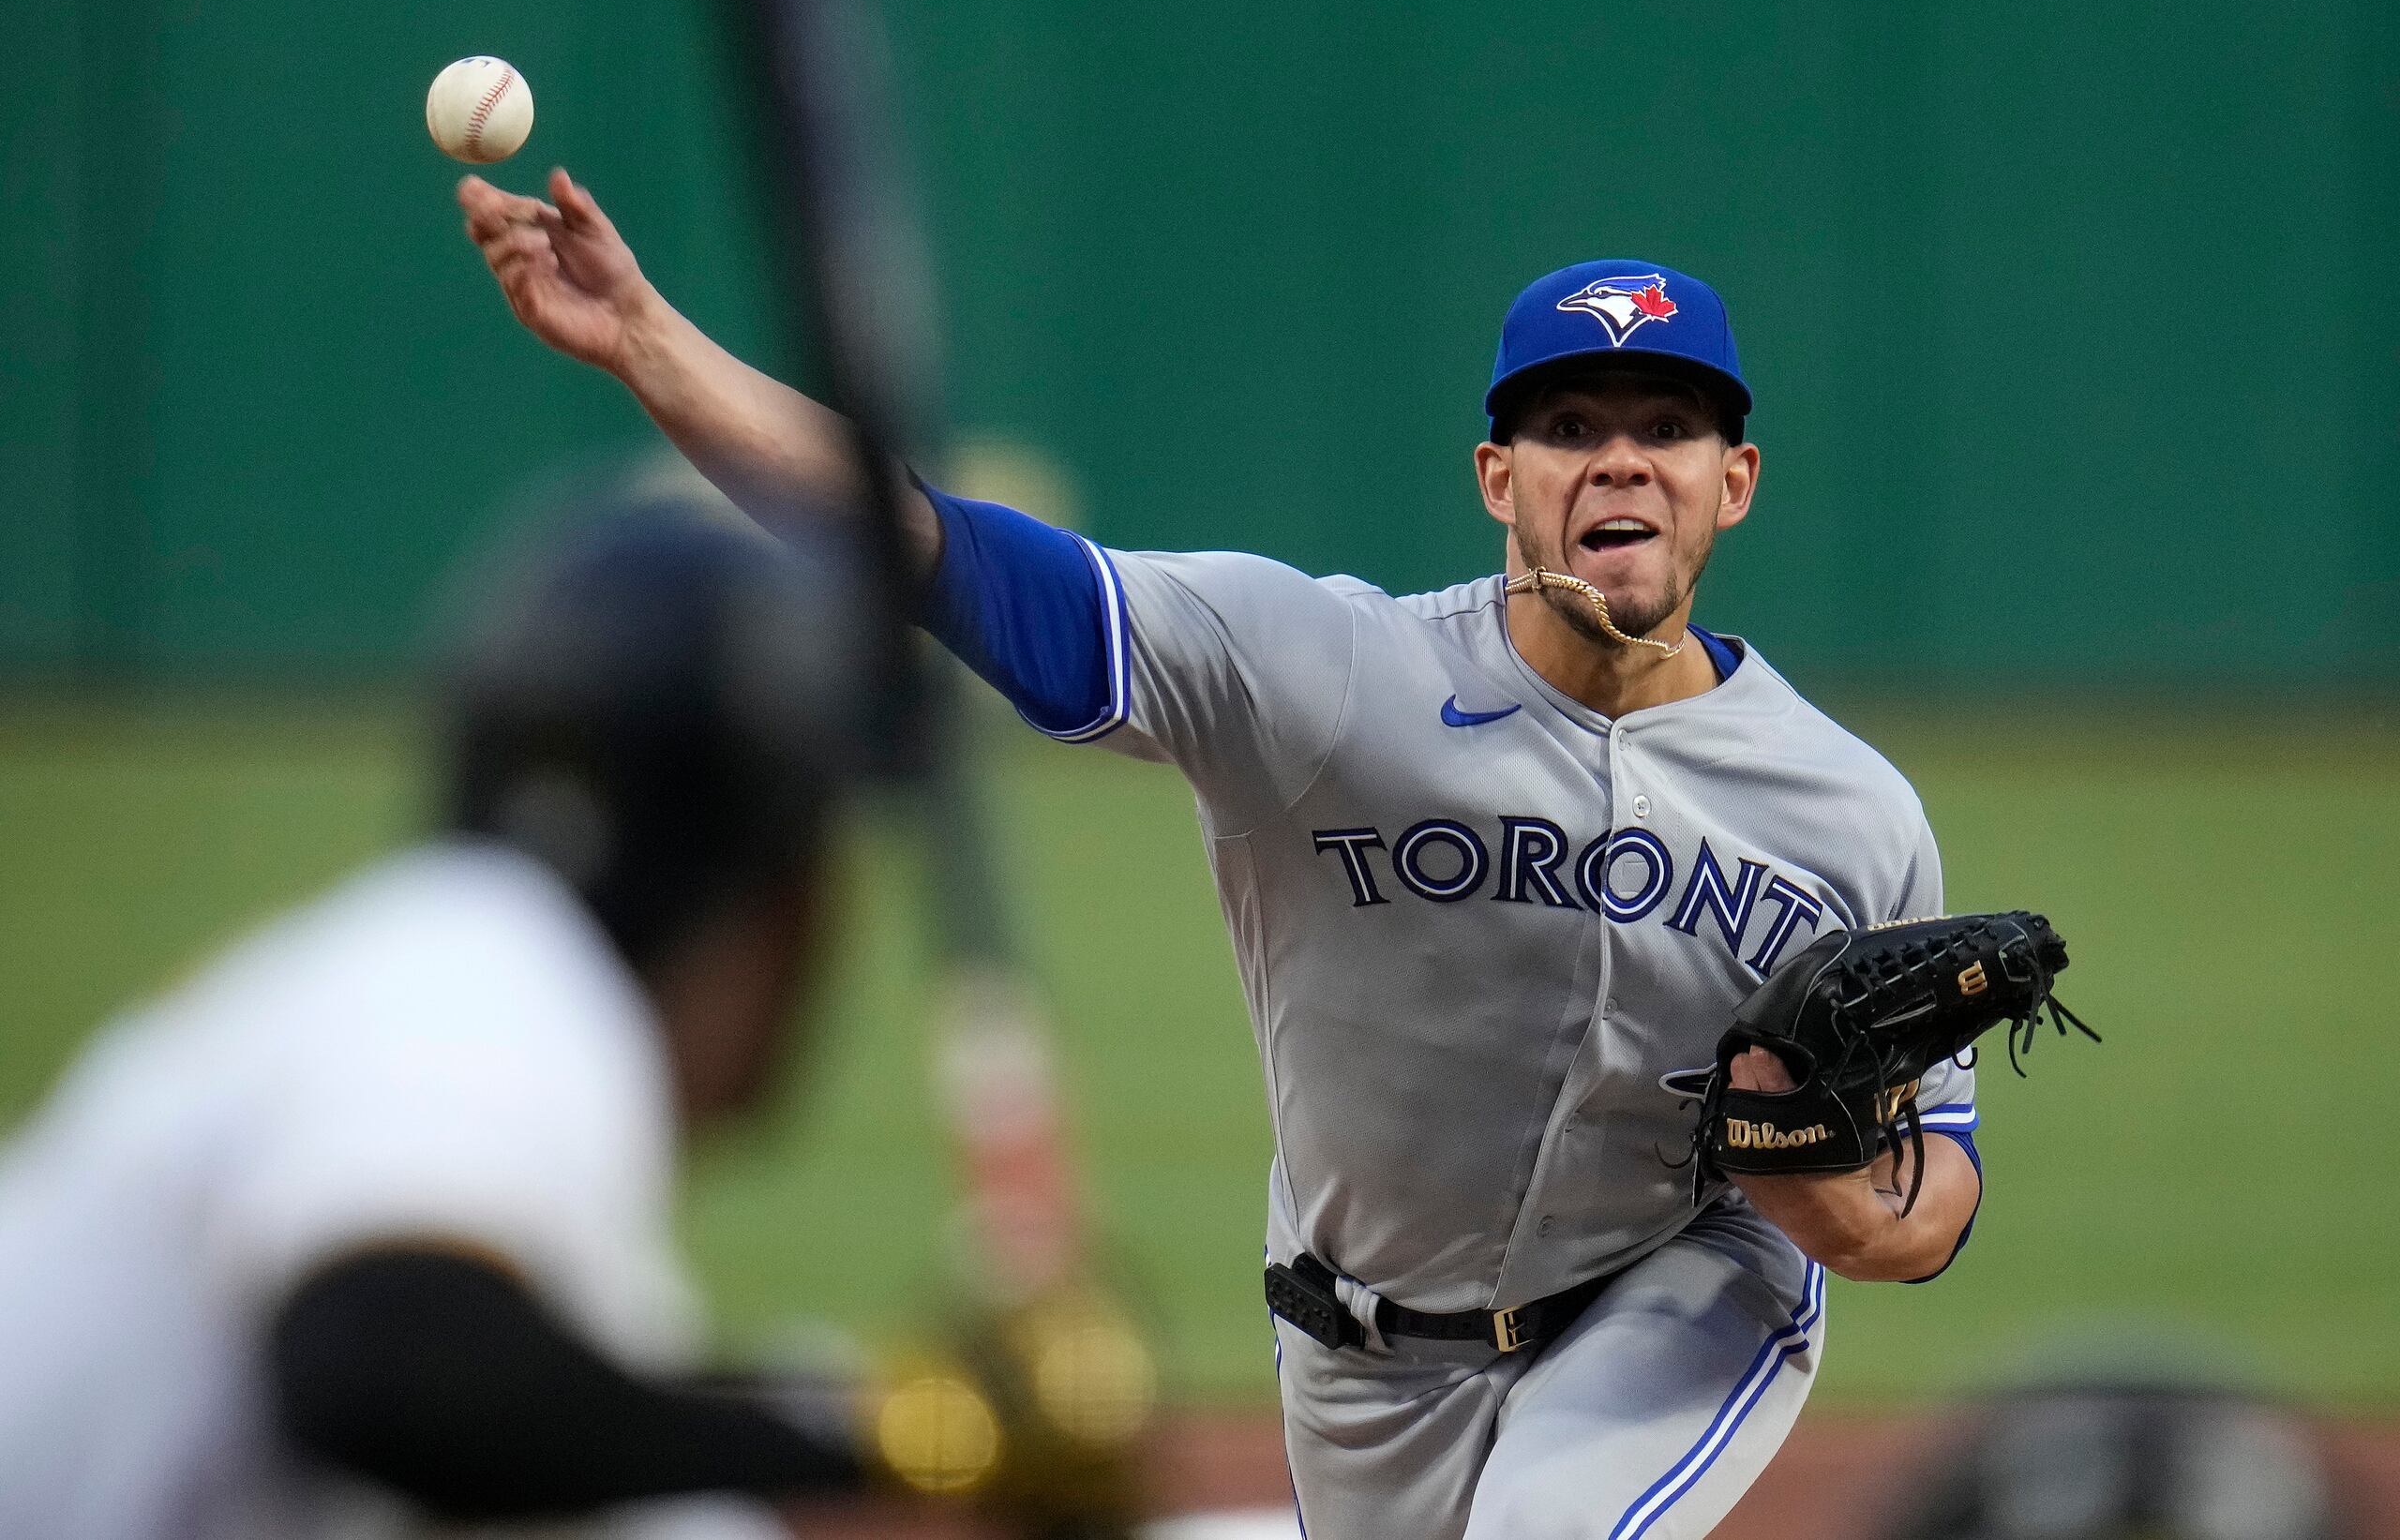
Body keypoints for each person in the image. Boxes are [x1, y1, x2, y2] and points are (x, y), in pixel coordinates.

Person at [459, 168, 1988, 1540]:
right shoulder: (1325, 676)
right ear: (1495, 480)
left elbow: (1935, 1194)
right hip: (1357, 1348)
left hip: (1682, 1290)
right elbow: (936, 549)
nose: (1620, 463)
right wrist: (651, 343)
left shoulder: (1844, 812)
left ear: (1736, 480)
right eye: (1570, 428)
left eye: (1669, 428)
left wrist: (1853, 1210)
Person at [0, 503, 880, 1539]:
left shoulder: (444, 991)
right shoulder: (481, 967)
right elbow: (383, 1364)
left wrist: (884, 1438)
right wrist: (877, 1454)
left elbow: (557, 1427)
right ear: (784, 897)